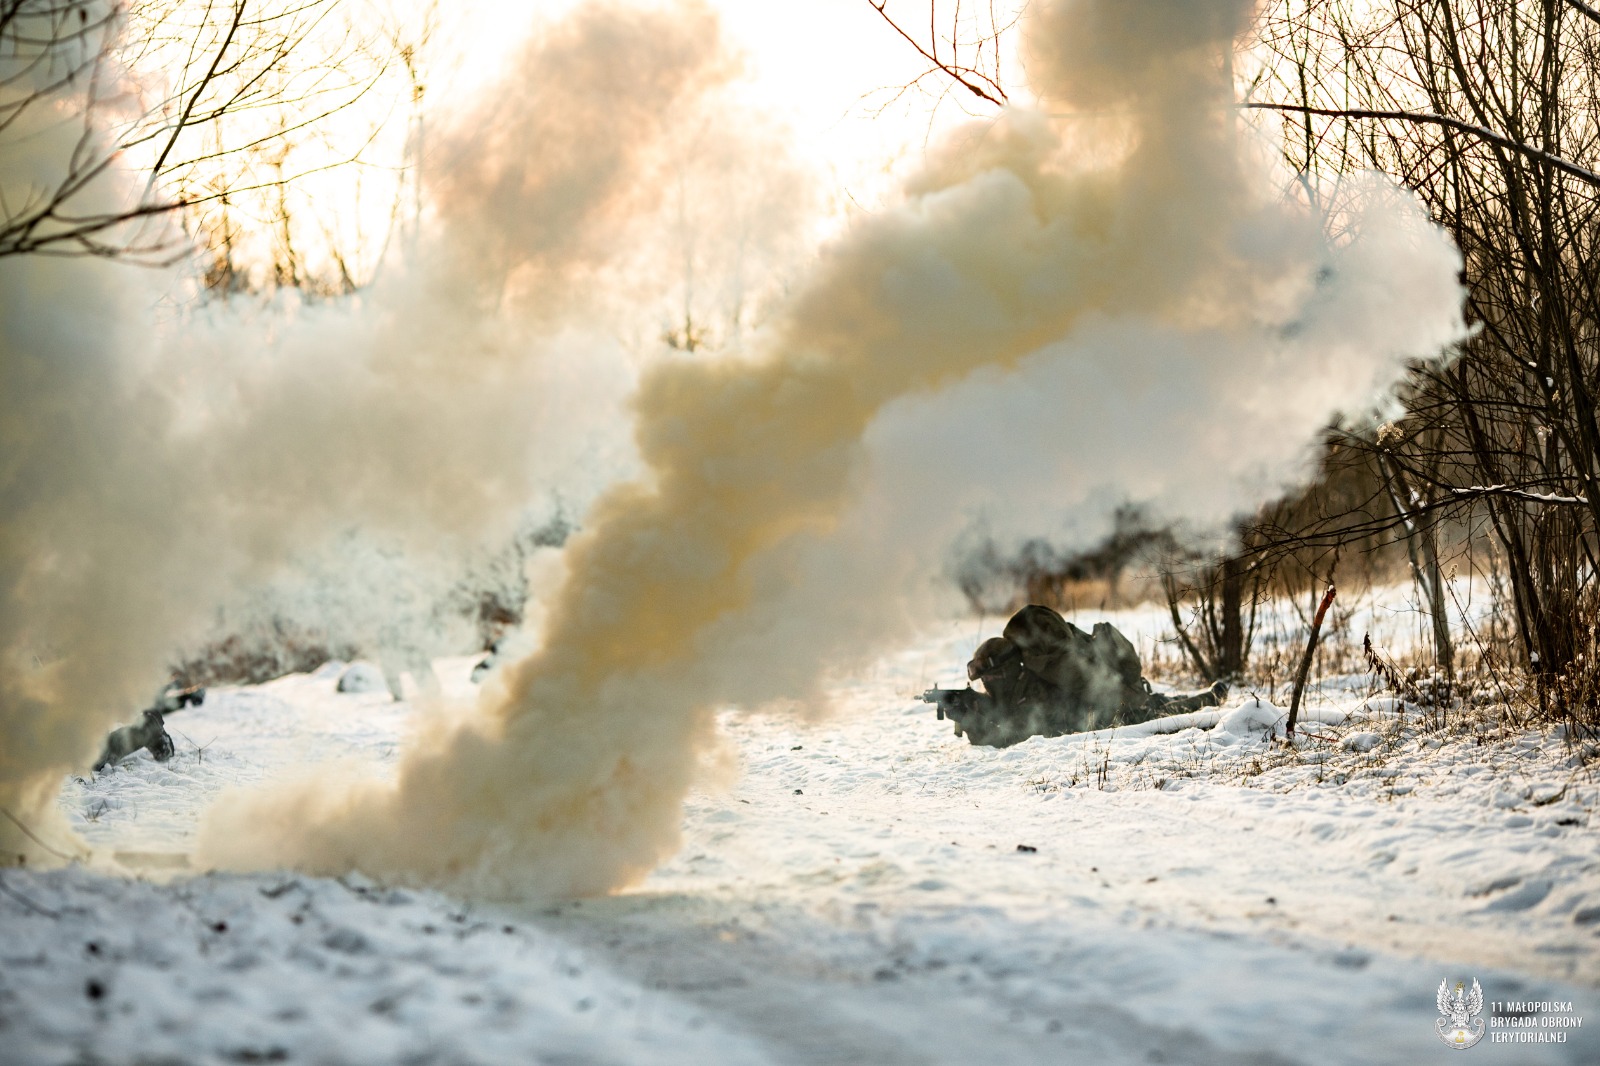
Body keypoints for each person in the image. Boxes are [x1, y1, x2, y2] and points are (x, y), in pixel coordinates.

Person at [946, 604, 1227, 747]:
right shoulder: (1021, 685)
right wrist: (972, 706)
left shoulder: (1033, 689)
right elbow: (1004, 712)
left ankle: (1210, 697)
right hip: (1103, 703)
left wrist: (975, 726)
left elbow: (1018, 735)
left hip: (1110, 712)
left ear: (1005, 674)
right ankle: (1208, 694)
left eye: (990, 679)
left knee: (1162, 709)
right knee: (1157, 701)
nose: (986, 685)